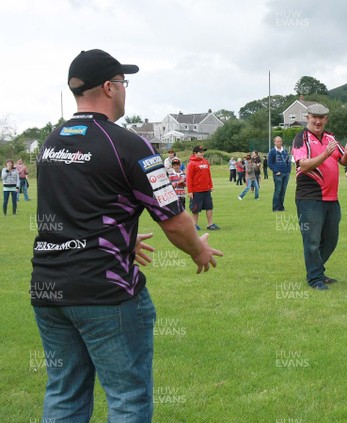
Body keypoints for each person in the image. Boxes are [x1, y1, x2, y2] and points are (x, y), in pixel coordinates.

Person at [30, 49, 223, 422]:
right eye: (122, 82)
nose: (124, 89)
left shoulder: (50, 143)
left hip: (48, 287)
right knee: (128, 398)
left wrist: (121, 237)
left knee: (64, 393)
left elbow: (71, 209)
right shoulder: (131, 145)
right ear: (108, 87)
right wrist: (198, 249)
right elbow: (174, 219)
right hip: (105, 290)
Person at [292, 103, 347, 290]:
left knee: (330, 239)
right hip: (309, 197)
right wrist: (325, 154)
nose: (318, 121)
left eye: (322, 117)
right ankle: (314, 279)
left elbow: (343, 160)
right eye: (314, 117)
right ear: (308, 117)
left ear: (326, 119)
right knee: (312, 240)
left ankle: (317, 271)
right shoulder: (300, 138)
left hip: (331, 198)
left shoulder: (330, 137)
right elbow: (303, 165)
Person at [187, 145, 220, 230]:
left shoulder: (205, 162)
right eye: (200, 152)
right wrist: (190, 191)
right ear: (195, 153)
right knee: (195, 209)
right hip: (196, 190)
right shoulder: (191, 164)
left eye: (203, 152)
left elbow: (208, 175)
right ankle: (194, 225)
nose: (202, 153)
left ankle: (210, 224)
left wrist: (211, 185)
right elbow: (189, 178)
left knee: (209, 207)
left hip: (206, 189)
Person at [267, 136, 291, 211]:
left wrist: (288, 171)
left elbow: (288, 161)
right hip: (278, 174)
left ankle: (281, 207)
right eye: (278, 141)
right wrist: (276, 171)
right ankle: (275, 208)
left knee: (283, 191)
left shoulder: (285, 151)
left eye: (280, 141)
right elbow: (270, 163)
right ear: (274, 142)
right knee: (278, 191)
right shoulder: (272, 152)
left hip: (285, 174)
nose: (280, 142)